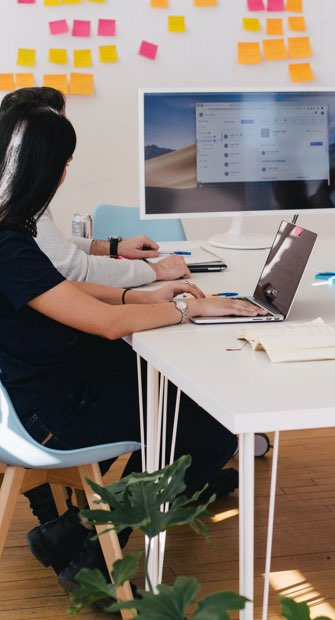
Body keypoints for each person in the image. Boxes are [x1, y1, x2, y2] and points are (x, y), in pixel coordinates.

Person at [0, 102, 267, 596]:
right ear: (45, 170)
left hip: (40, 392)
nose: (64, 175)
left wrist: (141, 296)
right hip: (52, 413)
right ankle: (93, 559)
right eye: (64, 163)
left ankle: (74, 535)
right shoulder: (9, 242)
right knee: (208, 430)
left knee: (169, 395)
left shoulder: (12, 233)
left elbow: (64, 291)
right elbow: (103, 323)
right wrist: (192, 311)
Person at [0, 86, 189, 287]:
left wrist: (114, 247)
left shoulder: (18, 190)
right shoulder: (14, 204)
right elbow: (77, 270)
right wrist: (157, 270)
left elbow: (52, 247)